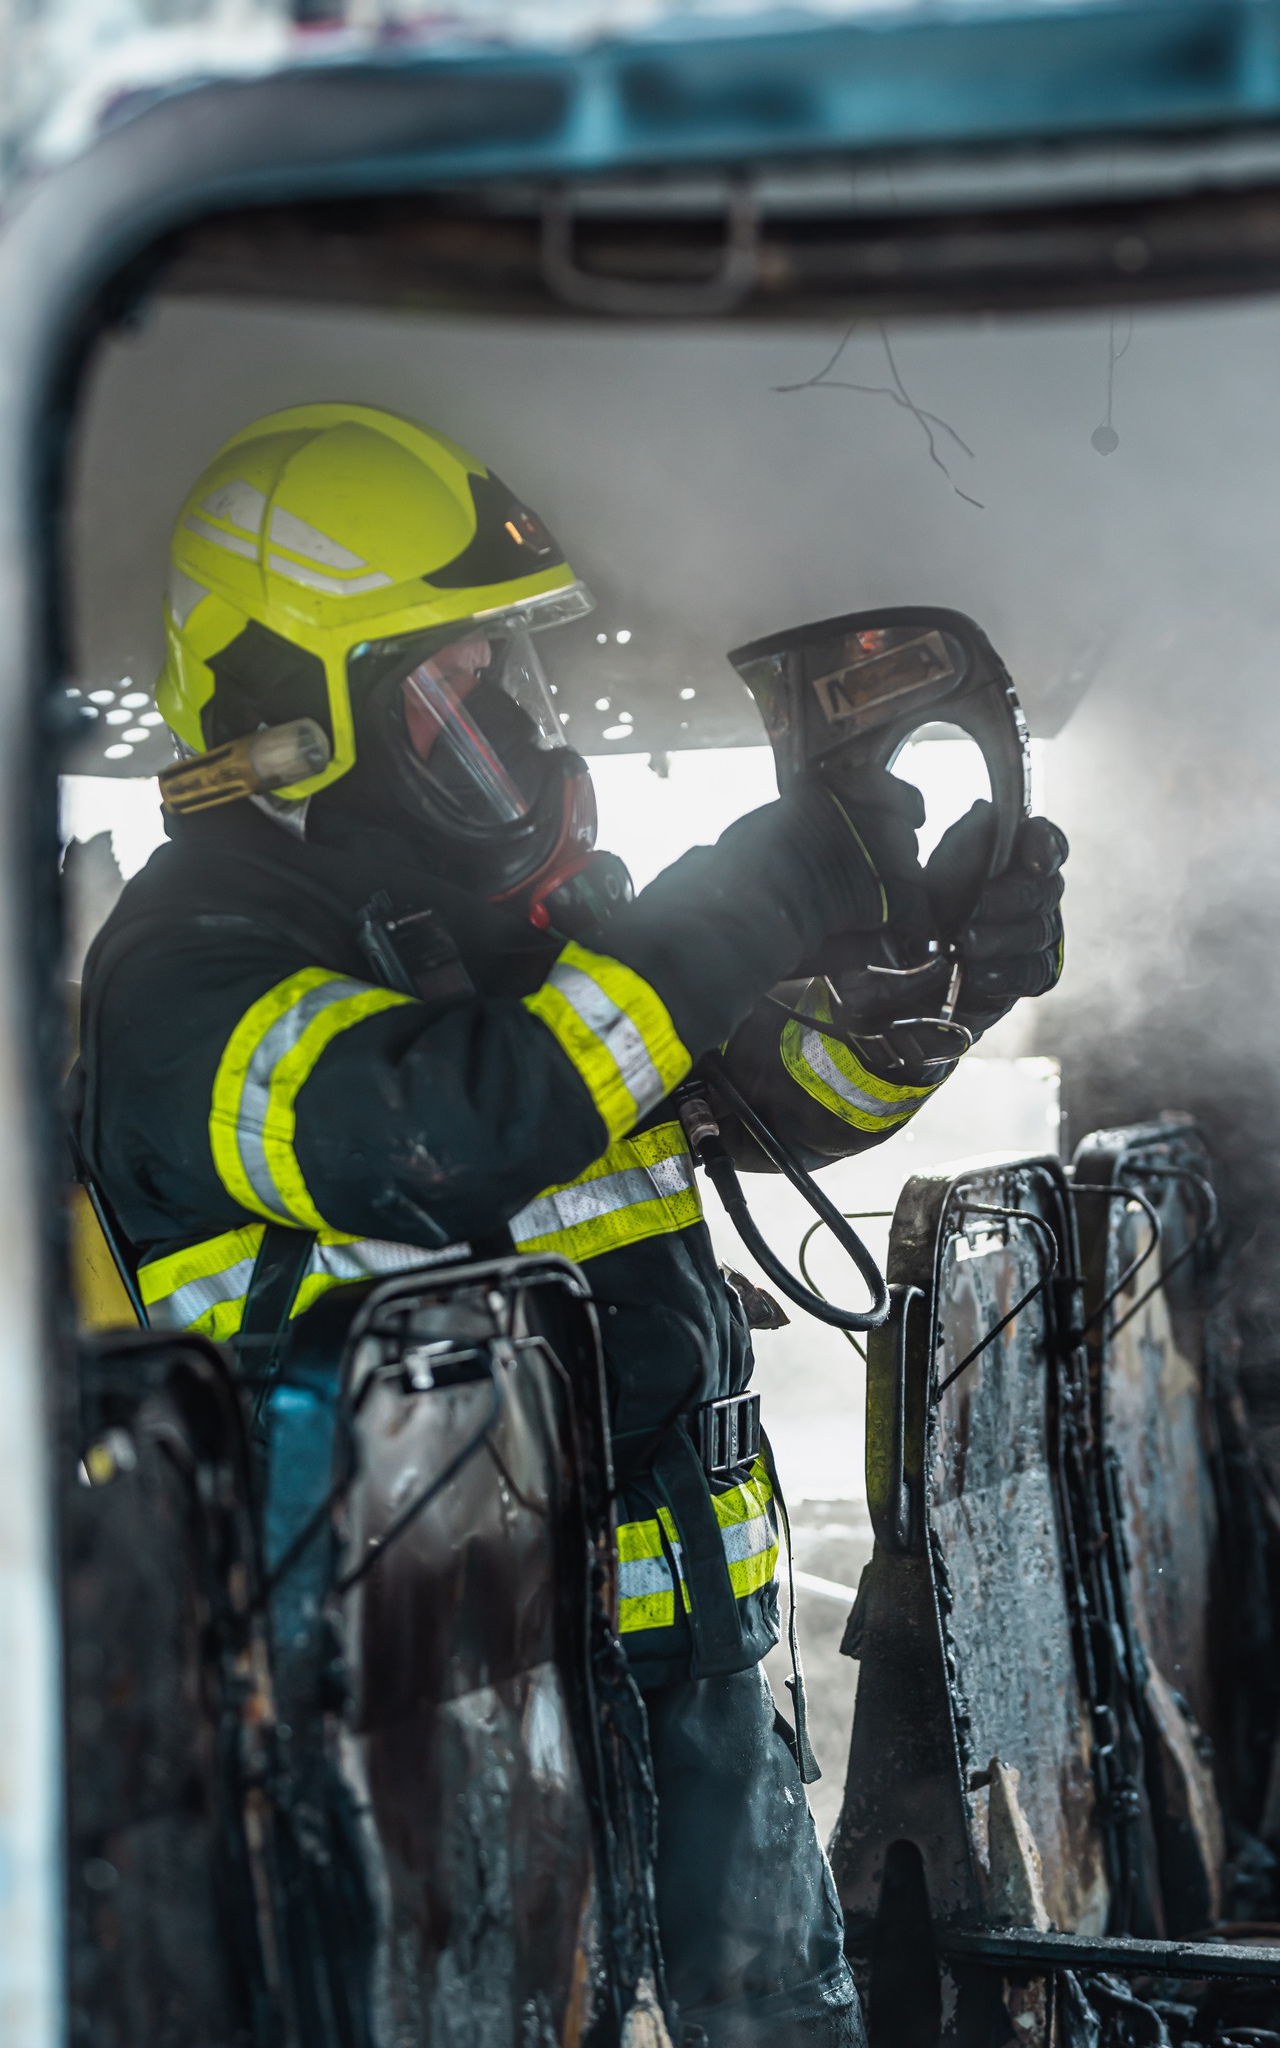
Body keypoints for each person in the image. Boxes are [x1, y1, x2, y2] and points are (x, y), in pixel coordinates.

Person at [74, 402, 1066, 2046]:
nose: (522, 744)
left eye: (514, 685)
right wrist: (747, 896)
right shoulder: (189, 975)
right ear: (289, 712)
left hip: (692, 1689)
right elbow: (444, 1135)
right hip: (414, 1733)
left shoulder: (528, 926)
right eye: (457, 700)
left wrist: (936, 985)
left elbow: (754, 1086)